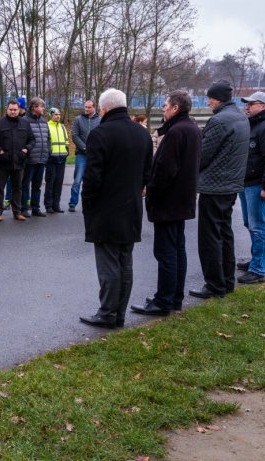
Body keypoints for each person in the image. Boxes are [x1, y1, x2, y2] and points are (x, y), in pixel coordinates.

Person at [79, 88, 152, 329]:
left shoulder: (100, 133)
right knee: (125, 262)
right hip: (131, 207)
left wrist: (88, 204)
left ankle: (108, 313)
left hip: (106, 209)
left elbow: (92, 177)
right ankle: (118, 312)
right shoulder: (142, 134)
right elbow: (146, 173)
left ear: (104, 109)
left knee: (109, 264)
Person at [130, 90, 201, 316]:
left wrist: (151, 191)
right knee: (177, 249)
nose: (163, 108)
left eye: (166, 105)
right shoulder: (191, 129)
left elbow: (164, 169)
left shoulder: (177, 132)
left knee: (166, 252)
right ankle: (174, 297)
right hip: (182, 200)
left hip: (169, 201)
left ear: (175, 108)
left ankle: (163, 301)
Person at [189, 80, 249, 299]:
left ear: (217, 99)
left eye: (210, 98)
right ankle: (227, 280)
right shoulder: (241, 117)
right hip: (231, 185)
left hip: (214, 186)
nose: (208, 102)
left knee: (210, 237)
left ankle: (214, 285)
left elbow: (202, 156)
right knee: (225, 233)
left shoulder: (219, 120)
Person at [235, 91, 265, 284]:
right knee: (250, 224)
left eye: (251, 104)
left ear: (263, 106)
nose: (247, 107)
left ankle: (258, 269)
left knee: (258, 227)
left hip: (257, 185)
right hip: (246, 183)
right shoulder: (256, 124)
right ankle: (256, 260)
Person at [0, 99, 35, 221]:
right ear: (7, 109)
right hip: (3, 162)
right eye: (11, 109)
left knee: (17, 188)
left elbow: (32, 140)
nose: (13, 112)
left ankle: (17, 212)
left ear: (19, 110)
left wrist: (26, 150)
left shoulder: (25, 124)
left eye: (15, 109)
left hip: (19, 162)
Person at [68, 99, 100, 212]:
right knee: (77, 180)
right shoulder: (78, 119)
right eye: (85, 107)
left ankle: (91, 203)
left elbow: (102, 136)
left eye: (89, 107)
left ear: (94, 107)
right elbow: (75, 135)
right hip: (81, 154)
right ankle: (72, 203)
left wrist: (95, 149)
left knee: (93, 180)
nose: (86, 109)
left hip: (95, 155)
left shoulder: (100, 120)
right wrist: (84, 147)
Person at [21, 97, 51, 217]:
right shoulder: (24, 120)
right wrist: (26, 154)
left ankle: (35, 208)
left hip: (42, 158)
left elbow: (48, 138)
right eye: (41, 106)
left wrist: (47, 151)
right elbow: (22, 139)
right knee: (25, 184)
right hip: (29, 159)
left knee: (37, 186)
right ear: (34, 107)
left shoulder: (43, 121)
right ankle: (24, 208)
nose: (43, 108)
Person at [44, 107, 69, 213]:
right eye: (55, 114)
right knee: (50, 183)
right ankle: (48, 205)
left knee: (59, 183)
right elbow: (45, 142)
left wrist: (67, 152)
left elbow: (66, 141)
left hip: (61, 159)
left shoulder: (62, 127)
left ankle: (56, 205)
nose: (58, 116)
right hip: (51, 159)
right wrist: (48, 154)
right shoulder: (47, 126)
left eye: (59, 114)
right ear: (51, 115)